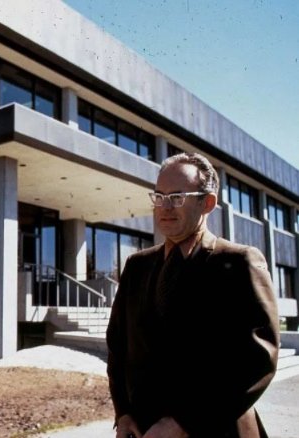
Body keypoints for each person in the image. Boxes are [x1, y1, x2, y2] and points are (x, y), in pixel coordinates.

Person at [106, 152, 279, 438]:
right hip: (144, 430)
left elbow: (257, 358)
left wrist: (183, 422)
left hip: (218, 429)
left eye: (177, 197)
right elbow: (118, 347)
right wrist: (123, 413)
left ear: (206, 202)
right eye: (159, 196)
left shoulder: (239, 263)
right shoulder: (136, 266)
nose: (165, 206)